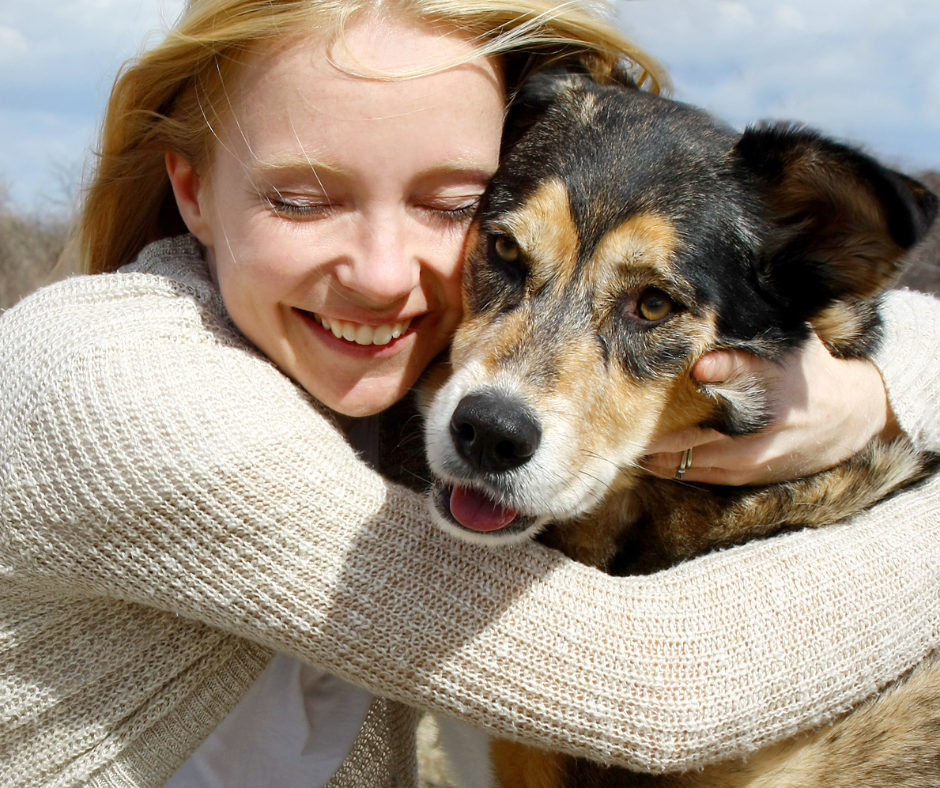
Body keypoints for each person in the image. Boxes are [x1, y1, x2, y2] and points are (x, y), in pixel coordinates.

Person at [2, 1, 939, 787]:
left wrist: (858, 400)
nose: (378, 275)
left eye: (450, 206)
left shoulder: (381, 370)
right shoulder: (114, 386)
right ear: (195, 191)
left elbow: (917, 328)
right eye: (301, 198)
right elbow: (659, 689)